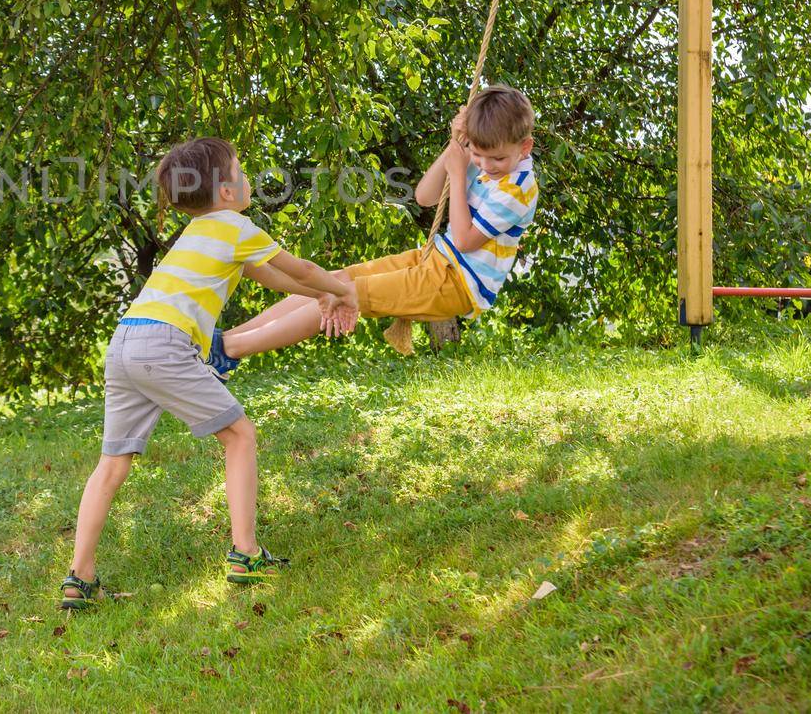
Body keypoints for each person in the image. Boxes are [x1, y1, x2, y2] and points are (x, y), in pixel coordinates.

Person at [59, 137, 357, 609]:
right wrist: (343, 290)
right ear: (224, 191)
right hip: (165, 344)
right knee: (239, 436)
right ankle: (246, 552)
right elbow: (298, 266)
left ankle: (79, 577)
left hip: (124, 343)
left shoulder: (197, 233)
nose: (248, 178)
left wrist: (321, 294)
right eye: (240, 171)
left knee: (112, 464)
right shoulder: (234, 225)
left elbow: (278, 278)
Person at [216, 85, 538, 363]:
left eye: (496, 160)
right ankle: (224, 337)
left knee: (346, 294)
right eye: (480, 156)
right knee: (334, 281)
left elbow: (467, 240)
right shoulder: (484, 155)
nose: (486, 165)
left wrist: (458, 172)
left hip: (457, 283)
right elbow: (425, 197)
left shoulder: (517, 190)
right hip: (434, 259)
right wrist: (454, 148)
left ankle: (225, 351)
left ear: (525, 147)